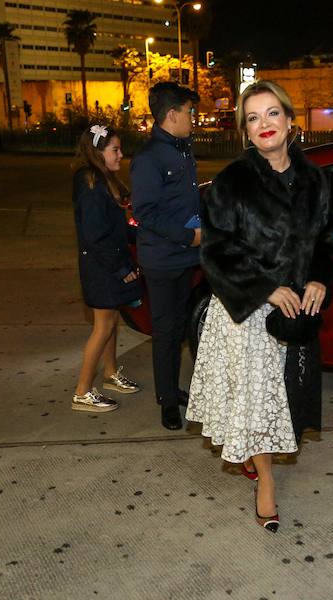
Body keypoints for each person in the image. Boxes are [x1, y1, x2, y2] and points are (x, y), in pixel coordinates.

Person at [187, 80, 333, 532]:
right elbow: (215, 253)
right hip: (248, 313)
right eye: (253, 118)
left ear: (290, 121)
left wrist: (319, 278)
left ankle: (258, 459)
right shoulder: (233, 182)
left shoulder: (315, 180)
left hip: (294, 316)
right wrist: (267, 288)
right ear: (246, 132)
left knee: (285, 401)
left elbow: (327, 244)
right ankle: (266, 482)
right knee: (257, 406)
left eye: (272, 113)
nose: (264, 124)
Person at [130, 82, 201, 430]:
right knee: (166, 332)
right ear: (172, 114)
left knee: (178, 330)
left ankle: (172, 389)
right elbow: (145, 212)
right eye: (190, 111)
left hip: (185, 258)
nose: (193, 117)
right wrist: (190, 236)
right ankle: (167, 403)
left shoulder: (183, 149)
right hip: (162, 260)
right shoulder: (149, 158)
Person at [71, 124, 142, 412]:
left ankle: (110, 374)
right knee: (102, 327)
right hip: (101, 266)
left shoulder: (103, 179)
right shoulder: (89, 182)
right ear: (98, 151)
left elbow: (114, 229)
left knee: (112, 322)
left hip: (108, 263)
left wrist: (141, 236)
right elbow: (94, 235)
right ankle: (82, 392)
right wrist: (120, 268)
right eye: (115, 149)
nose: (121, 155)